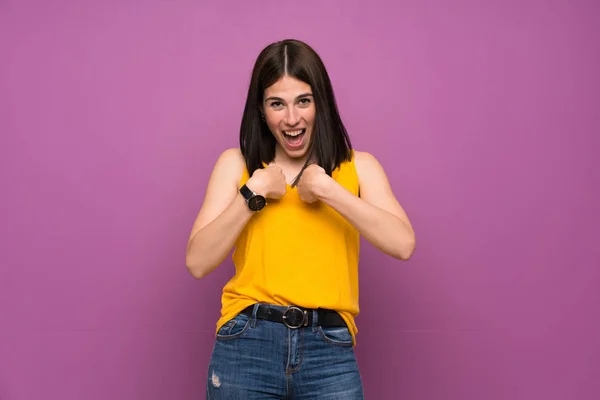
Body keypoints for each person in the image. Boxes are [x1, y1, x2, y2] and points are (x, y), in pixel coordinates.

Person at [185, 38, 415, 399]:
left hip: (329, 349)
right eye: (277, 103)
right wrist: (252, 194)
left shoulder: (359, 167)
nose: (292, 119)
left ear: (320, 103)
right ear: (261, 110)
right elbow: (197, 262)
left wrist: (329, 191)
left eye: (303, 101)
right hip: (247, 343)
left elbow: (403, 244)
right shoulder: (237, 166)